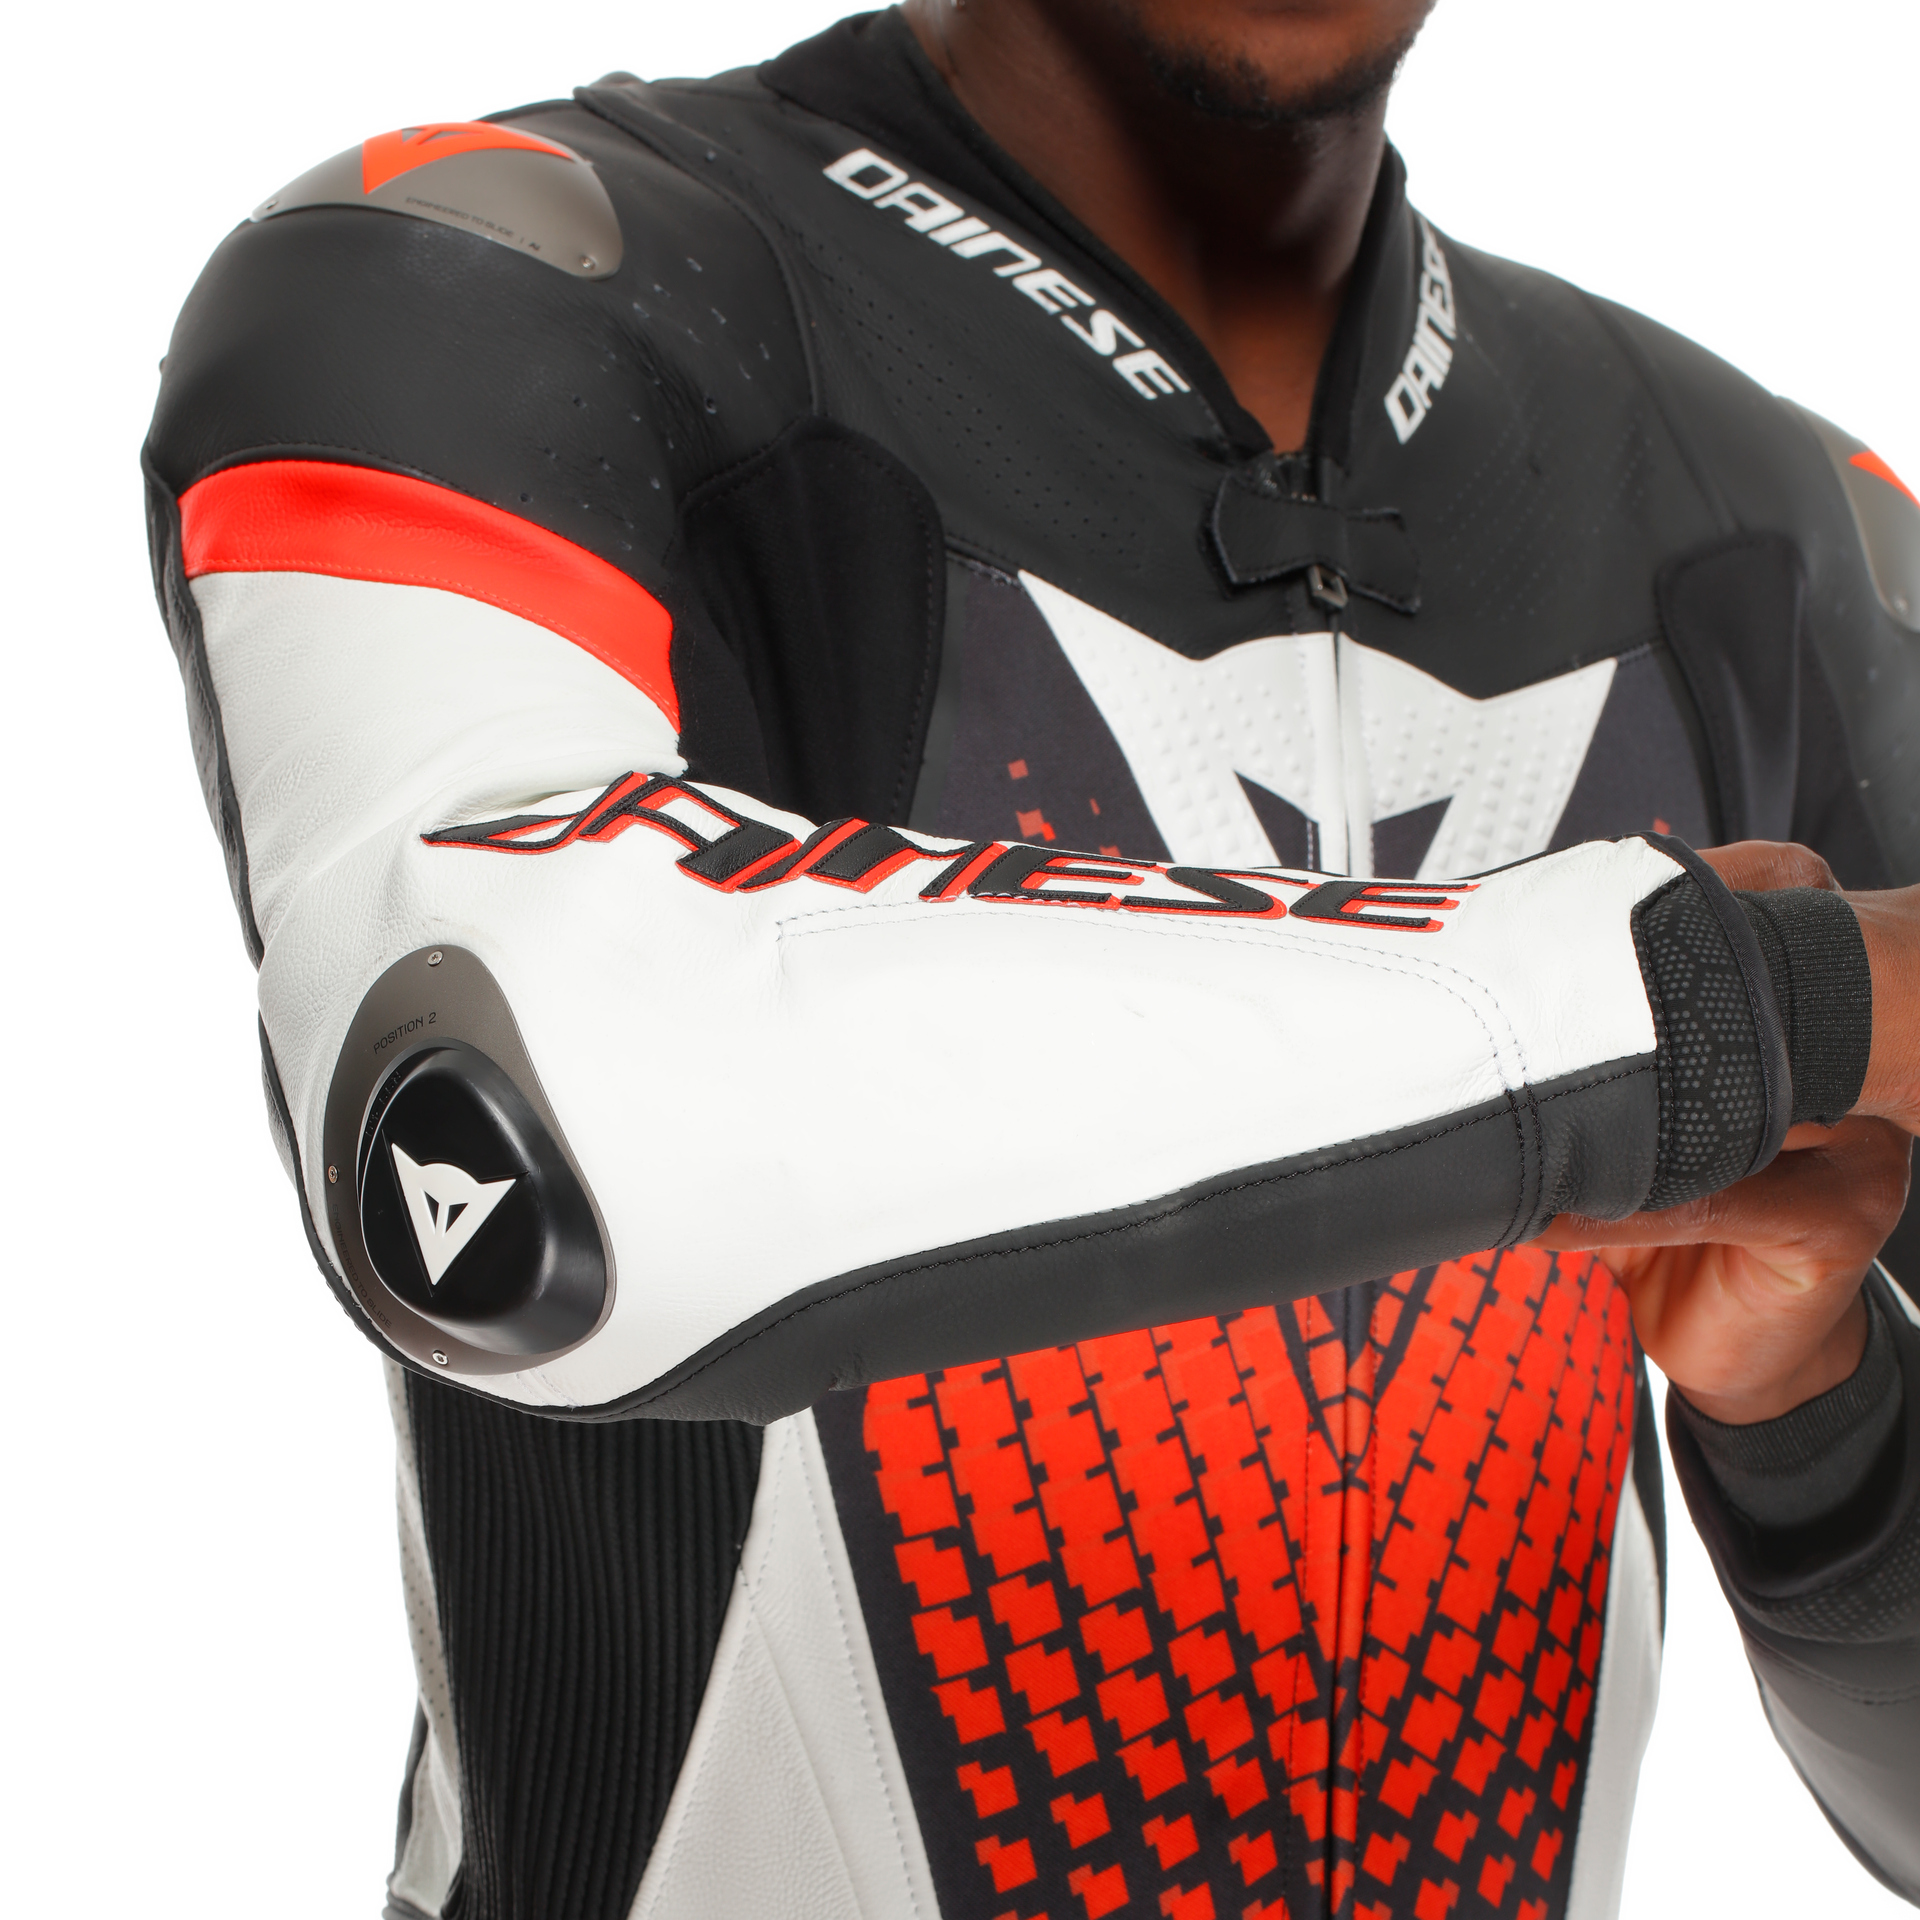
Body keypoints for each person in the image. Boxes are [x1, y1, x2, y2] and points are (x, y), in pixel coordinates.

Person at [142, 4, 1920, 1915]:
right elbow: (512, 1138)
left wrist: (1813, 1424)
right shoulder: (479, 276)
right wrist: (1746, 1007)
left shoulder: (1783, 521)